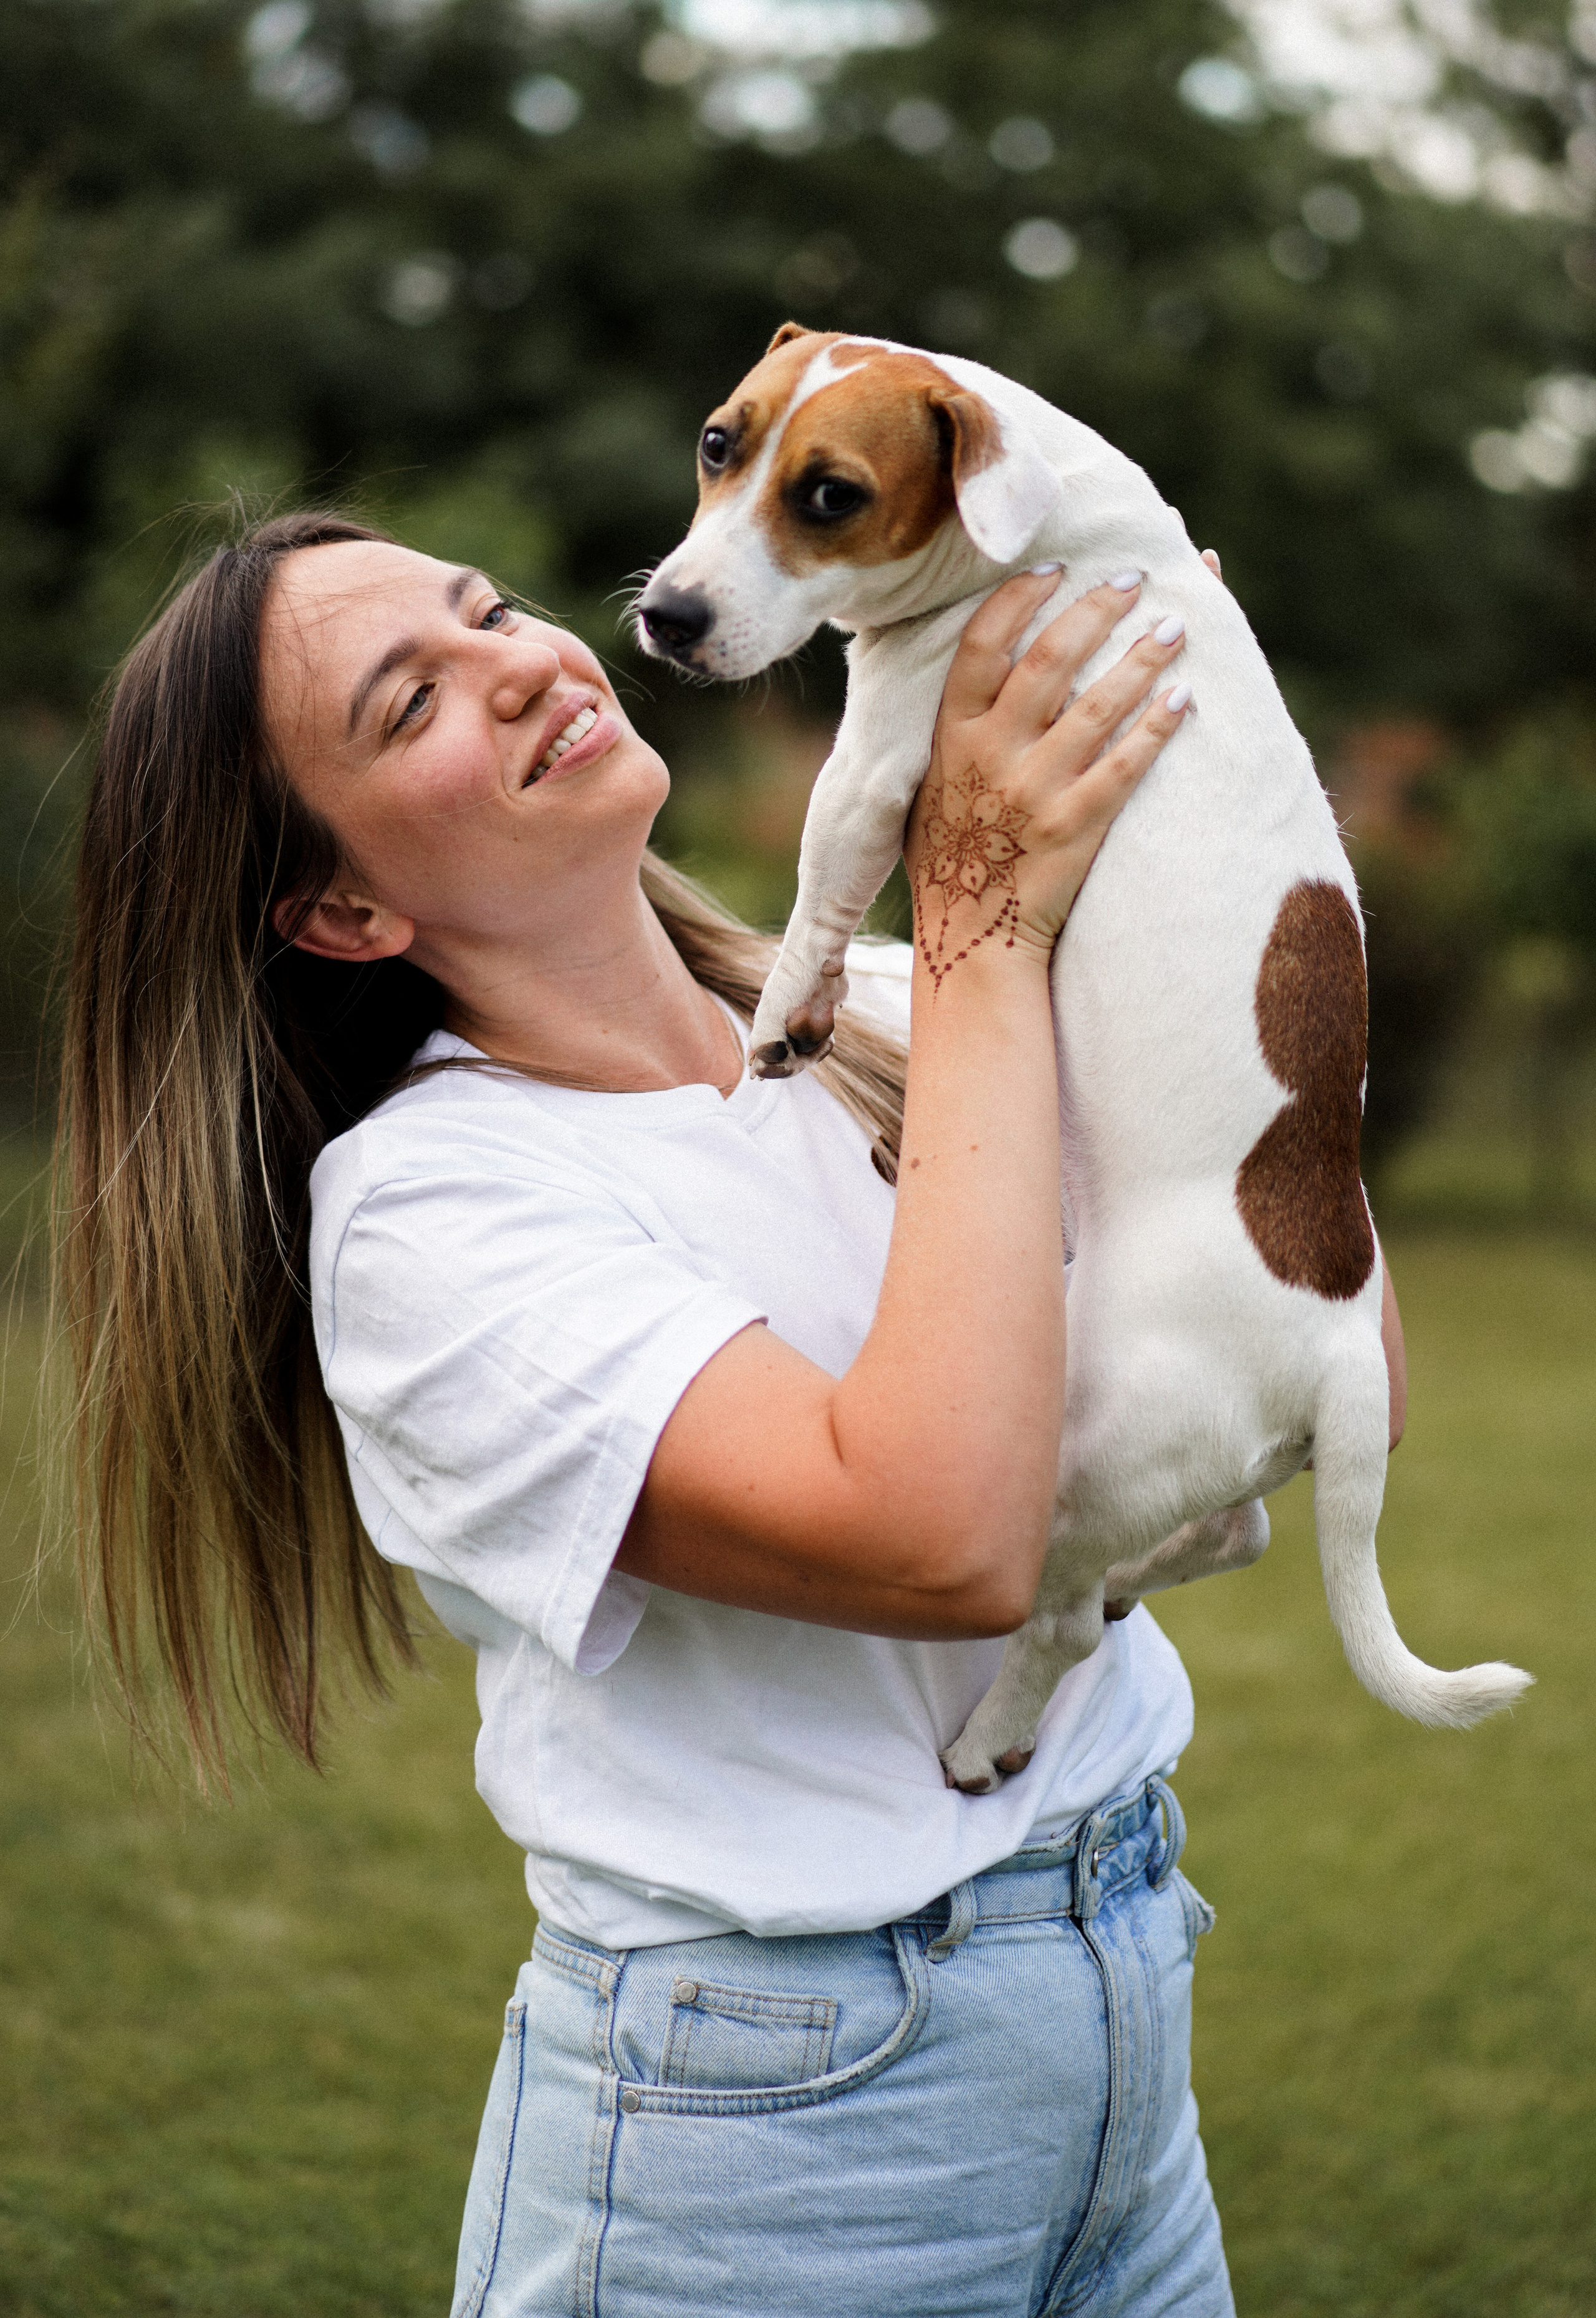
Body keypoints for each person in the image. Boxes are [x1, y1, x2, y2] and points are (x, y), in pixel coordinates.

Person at [57, 509, 1404, 2318]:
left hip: (1126, 2008)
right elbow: (941, 1539)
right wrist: (991, 913)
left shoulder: (887, 1008)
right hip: (780, 2128)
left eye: (489, 610)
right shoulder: (435, 1212)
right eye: (412, 701)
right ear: (342, 909)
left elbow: (1335, 1365)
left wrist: (1199, 838)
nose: (526, 655)